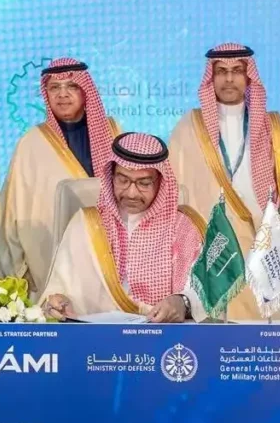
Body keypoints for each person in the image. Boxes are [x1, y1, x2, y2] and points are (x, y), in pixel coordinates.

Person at [168, 43, 280, 320]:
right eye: (221, 71)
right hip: (207, 254)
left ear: (248, 76)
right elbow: (172, 195)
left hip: (260, 250)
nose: (229, 79)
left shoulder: (272, 127)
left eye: (237, 71)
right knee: (208, 336)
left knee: (263, 336)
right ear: (211, 77)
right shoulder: (189, 126)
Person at [41, 132, 206, 323]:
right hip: (95, 335)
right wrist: (58, 302)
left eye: (144, 183)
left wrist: (182, 302)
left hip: (160, 333)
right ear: (111, 177)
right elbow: (59, 288)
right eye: (123, 180)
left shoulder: (184, 228)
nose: (131, 193)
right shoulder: (86, 224)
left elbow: (203, 291)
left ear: (161, 182)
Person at [0, 58, 121, 296]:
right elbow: (13, 210)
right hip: (51, 253)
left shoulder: (112, 133)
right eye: (54, 87)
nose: (62, 94)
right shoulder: (31, 142)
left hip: (106, 250)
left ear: (85, 91)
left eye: (71, 86)